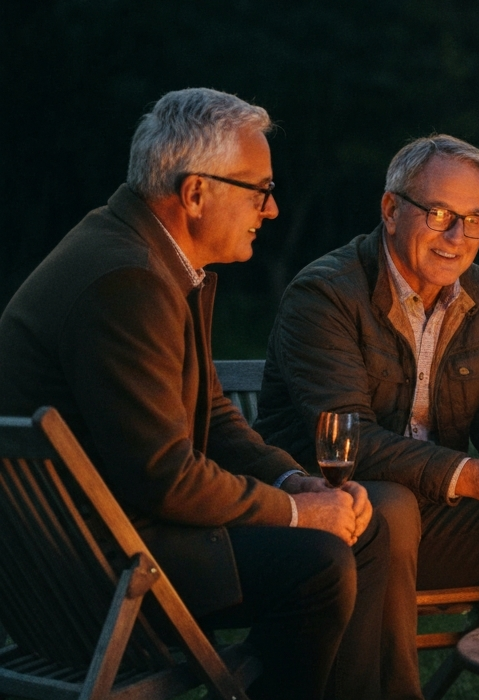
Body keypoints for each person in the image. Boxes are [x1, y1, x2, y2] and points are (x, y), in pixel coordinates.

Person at [0, 88, 389, 700]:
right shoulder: (129, 281)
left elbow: (210, 413)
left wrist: (294, 482)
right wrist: (296, 515)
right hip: (99, 577)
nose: (272, 209)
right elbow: (165, 477)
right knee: (320, 564)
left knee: (346, 536)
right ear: (196, 193)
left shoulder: (138, 253)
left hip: (62, 565)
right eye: (259, 190)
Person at [254, 134, 479, 699]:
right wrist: (470, 476)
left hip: (432, 520)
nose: (456, 237)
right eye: (439, 214)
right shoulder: (325, 294)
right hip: (327, 525)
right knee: (391, 505)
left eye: (474, 220)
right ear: (390, 209)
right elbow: (350, 441)